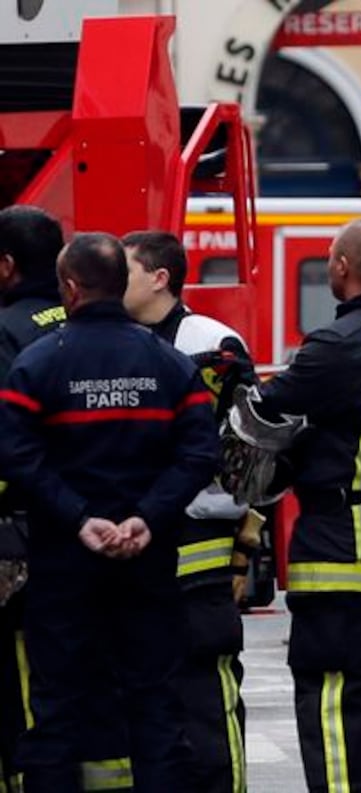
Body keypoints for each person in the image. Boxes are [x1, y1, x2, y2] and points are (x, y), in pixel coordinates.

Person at [0, 232, 220, 792]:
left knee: (56, 711)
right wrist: (147, 516)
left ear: (69, 288)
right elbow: (200, 452)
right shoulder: (169, 364)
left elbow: (16, 453)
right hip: (147, 565)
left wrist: (78, 517)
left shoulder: (37, 365)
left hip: (62, 565)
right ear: (121, 286)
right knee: (155, 707)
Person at [228, 219, 361, 791]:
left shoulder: (338, 345)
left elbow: (262, 415)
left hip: (347, 547)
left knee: (335, 704)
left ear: (343, 266)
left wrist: (233, 384)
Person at [0, 208, 133, 793]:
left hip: (25, 543)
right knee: (102, 686)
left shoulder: (5, 332)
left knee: (31, 696)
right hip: (112, 538)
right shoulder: (114, 333)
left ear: (6, 266)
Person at [122, 230, 256, 793]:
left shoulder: (210, 342)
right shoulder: (119, 340)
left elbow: (248, 448)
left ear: (160, 278)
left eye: (125, 270)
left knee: (206, 696)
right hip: (138, 545)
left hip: (202, 537)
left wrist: (247, 540)